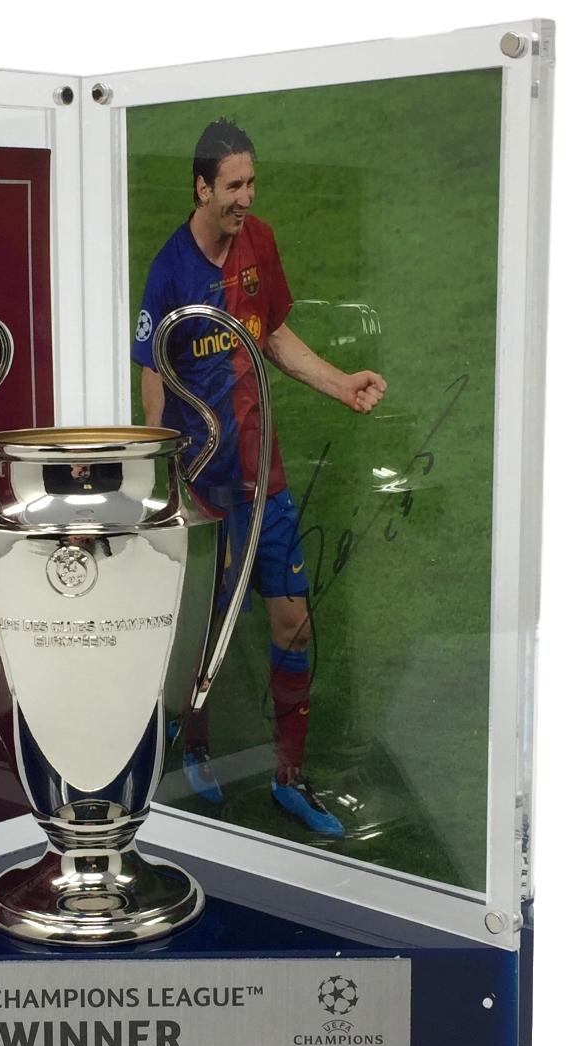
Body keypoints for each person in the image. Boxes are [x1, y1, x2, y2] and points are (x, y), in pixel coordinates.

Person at [132, 118, 386, 836]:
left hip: (262, 474)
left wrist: (340, 383)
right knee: (205, 635)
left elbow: (270, 333)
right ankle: (196, 753)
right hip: (203, 485)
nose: (246, 197)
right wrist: (163, 482)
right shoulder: (170, 270)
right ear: (202, 187)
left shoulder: (260, 243)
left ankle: (288, 776)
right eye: (234, 185)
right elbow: (153, 380)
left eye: (252, 183)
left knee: (293, 622)